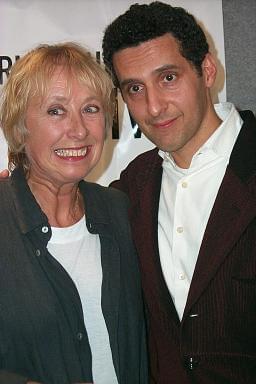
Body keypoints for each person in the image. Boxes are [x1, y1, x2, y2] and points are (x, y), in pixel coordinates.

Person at [102, 2, 256, 383]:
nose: (153, 107)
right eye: (135, 88)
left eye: (168, 78)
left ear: (207, 70)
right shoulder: (131, 187)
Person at [0, 42, 148, 384]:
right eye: (56, 111)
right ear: (21, 126)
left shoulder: (119, 210)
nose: (79, 130)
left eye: (91, 109)